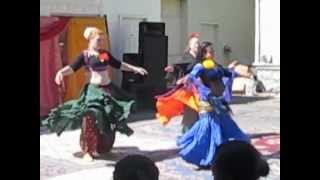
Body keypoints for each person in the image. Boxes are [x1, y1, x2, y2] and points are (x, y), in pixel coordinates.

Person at [42, 27, 148, 161]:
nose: (101, 43)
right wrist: (61, 73)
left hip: (108, 89)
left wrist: (134, 68)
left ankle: (103, 146)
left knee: (108, 119)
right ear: (91, 40)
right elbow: (72, 68)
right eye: (98, 40)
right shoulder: (85, 55)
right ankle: (88, 150)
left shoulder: (103, 54)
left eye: (102, 40)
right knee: (90, 119)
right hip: (93, 91)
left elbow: (118, 64)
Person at [155, 41, 249, 168]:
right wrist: (187, 79)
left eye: (213, 51)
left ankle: (222, 153)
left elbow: (227, 73)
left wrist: (238, 72)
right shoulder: (199, 66)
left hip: (218, 102)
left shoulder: (216, 65)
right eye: (210, 51)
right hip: (206, 102)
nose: (212, 53)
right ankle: (203, 153)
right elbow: (192, 76)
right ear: (204, 54)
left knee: (225, 126)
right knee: (208, 128)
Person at [163, 32, 200, 133]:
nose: (197, 45)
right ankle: (186, 135)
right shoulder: (185, 57)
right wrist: (172, 69)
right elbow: (177, 66)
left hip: (199, 90)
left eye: (198, 43)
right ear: (190, 46)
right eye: (195, 43)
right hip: (189, 90)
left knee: (197, 114)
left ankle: (193, 134)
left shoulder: (200, 58)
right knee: (190, 113)